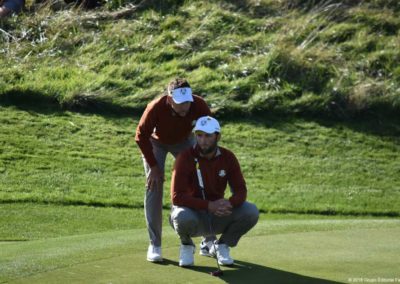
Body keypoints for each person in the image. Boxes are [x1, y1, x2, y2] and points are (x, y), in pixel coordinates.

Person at [135, 78, 212, 262]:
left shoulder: (198, 104)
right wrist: (153, 167)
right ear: (170, 99)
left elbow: (209, 129)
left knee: (199, 184)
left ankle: (208, 241)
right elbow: (141, 136)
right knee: (154, 186)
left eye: (187, 102)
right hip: (157, 143)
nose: (185, 106)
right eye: (180, 103)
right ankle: (155, 244)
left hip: (185, 142)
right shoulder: (156, 107)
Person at [170, 116, 259, 267]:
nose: (203, 140)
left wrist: (229, 203)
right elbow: (177, 197)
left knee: (251, 211)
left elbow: (240, 190)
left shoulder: (228, 157)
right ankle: (186, 245)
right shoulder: (185, 157)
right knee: (180, 215)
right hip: (193, 214)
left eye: (208, 136)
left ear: (217, 136)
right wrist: (208, 205)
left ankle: (222, 245)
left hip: (218, 213)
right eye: (199, 135)